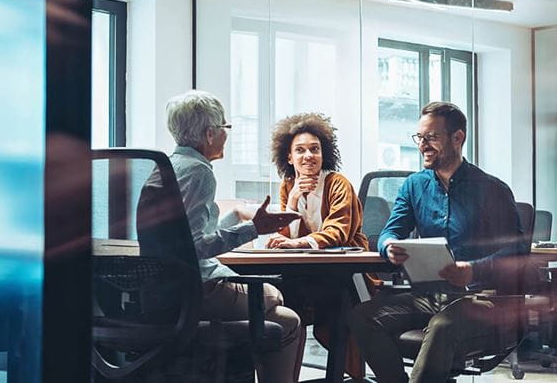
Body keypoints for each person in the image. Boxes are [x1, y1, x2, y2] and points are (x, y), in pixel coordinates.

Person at [349, 101, 528, 383]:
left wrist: (473, 269)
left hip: (482, 299)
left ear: (458, 138)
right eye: (419, 137)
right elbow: (388, 232)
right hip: (429, 296)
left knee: (443, 326)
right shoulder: (414, 186)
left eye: (431, 137)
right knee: (362, 316)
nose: (422, 145)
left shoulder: (491, 189)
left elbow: (518, 252)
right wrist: (389, 246)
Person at [163, 90, 303, 383]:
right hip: (199, 290)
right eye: (226, 128)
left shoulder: (165, 168)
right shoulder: (200, 172)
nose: (228, 135)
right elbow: (195, 247)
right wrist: (255, 228)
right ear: (210, 132)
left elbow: (185, 235)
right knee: (274, 295)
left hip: (165, 292)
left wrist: (236, 216)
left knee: (286, 320)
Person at [266, 112, 369, 380]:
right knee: (284, 297)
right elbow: (283, 234)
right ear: (289, 157)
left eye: (315, 149)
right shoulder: (289, 185)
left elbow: (338, 231)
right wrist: (293, 201)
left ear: (324, 153)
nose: (308, 156)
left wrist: (297, 242)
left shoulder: (338, 184)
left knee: (323, 300)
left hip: (346, 273)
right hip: (308, 270)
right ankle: (285, 375)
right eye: (299, 151)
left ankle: (341, 374)